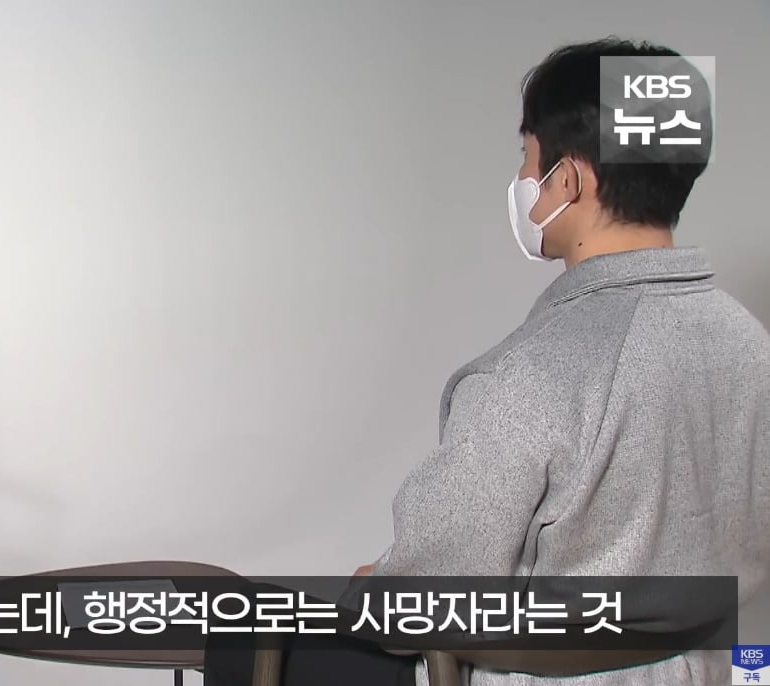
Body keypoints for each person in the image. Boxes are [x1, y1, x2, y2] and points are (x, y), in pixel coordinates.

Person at [204, 38, 769, 686]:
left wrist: (380, 586)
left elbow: (421, 602)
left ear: (568, 179)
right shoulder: (750, 347)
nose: (524, 179)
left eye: (527, 156)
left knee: (254, 639)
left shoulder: (529, 375)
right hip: (719, 670)